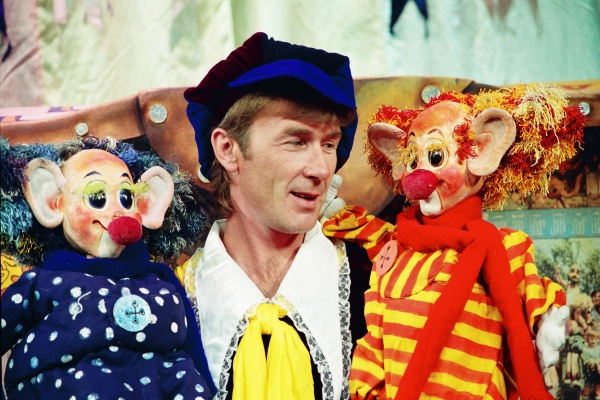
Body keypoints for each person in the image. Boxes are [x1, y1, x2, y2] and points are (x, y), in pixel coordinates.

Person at [175, 32, 358, 400]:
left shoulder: (375, 282)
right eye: (296, 141)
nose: (322, 169)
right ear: (228, 149)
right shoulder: (174, 300)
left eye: (329, 144)